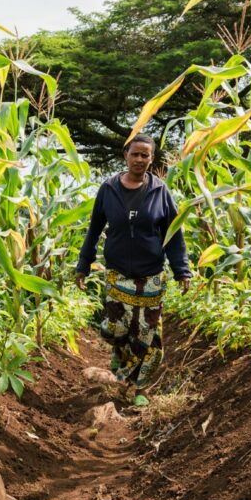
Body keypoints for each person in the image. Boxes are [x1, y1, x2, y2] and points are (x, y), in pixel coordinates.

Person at [74, 133, 192, 400]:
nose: (139, 159)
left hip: (151, 275)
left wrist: (182, 270)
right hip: (117, 274)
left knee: (148, 333)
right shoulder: (108, 189)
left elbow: (173, 235)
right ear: (125, 155)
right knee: (116, 328)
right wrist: (83, 265)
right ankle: (122, 361)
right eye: (135, 154)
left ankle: (139, 387)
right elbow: (94, 230)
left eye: (145, 155)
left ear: (151, 159)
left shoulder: (160, 192)